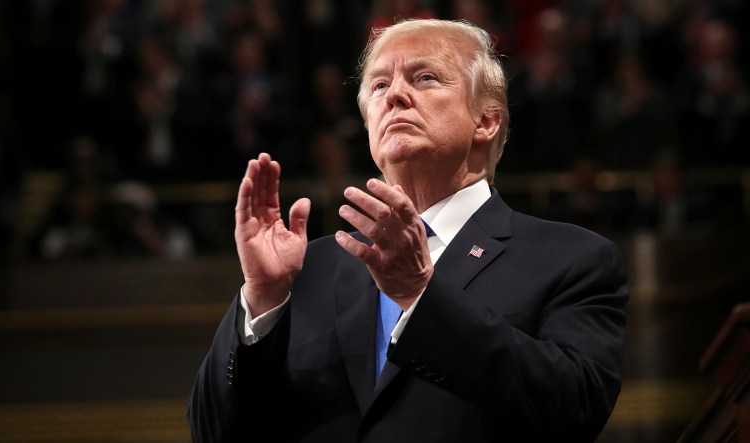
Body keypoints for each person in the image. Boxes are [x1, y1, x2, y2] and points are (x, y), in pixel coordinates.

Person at [187, 19, 628, 442]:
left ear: (486, 121)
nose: (395, 94)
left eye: (425, 78)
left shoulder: (570, 258)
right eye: (379, 85)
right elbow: (211, 432)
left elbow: (575, 410)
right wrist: (261, 300)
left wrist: (420, 296)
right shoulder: (306, 269)